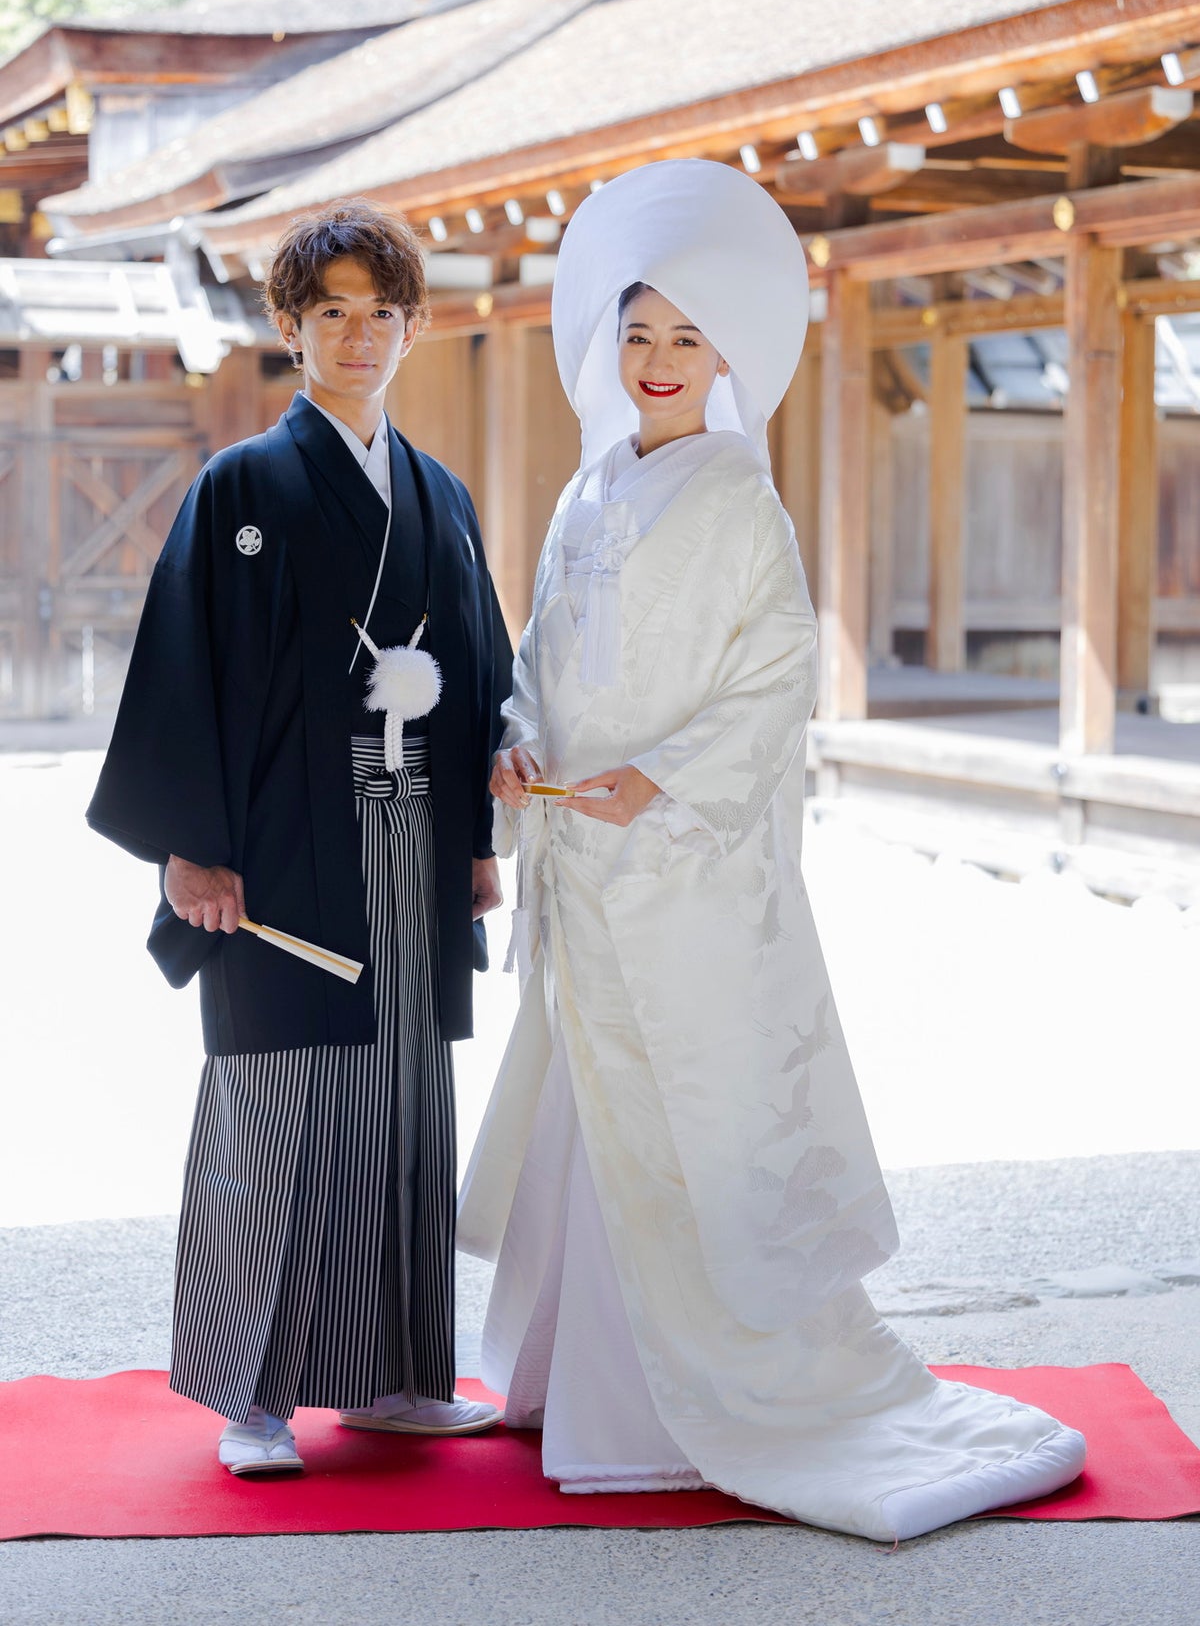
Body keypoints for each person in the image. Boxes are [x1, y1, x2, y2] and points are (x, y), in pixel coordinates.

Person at [457, 159, 1086, 1542]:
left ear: (726, 352)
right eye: (636, 335)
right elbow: (537, 659)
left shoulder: (742, 502)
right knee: (592, 1122)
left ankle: (679, 1405)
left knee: (698, 1118)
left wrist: (663, 783)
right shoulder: (585, 497)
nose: (659, 362)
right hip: (583, 862)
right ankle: (567, 1383)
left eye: (686, 338)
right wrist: (516, 744)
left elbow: (774, 681)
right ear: (605, 346)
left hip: (685, 876)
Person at [88, 199, 512, 1476]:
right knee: (276, 1109)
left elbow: (482, 672)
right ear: (290, 325)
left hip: (410, 846)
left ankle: (393, 1375)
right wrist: (188, 843)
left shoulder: (436, 494)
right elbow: (186, 670)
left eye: (382, 313)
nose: (359, 336)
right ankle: (253, 1395)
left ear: (412, 327)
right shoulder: (246, 488)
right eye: (331, 312)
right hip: (275, 851)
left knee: (399, 1110)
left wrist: (480, 843)